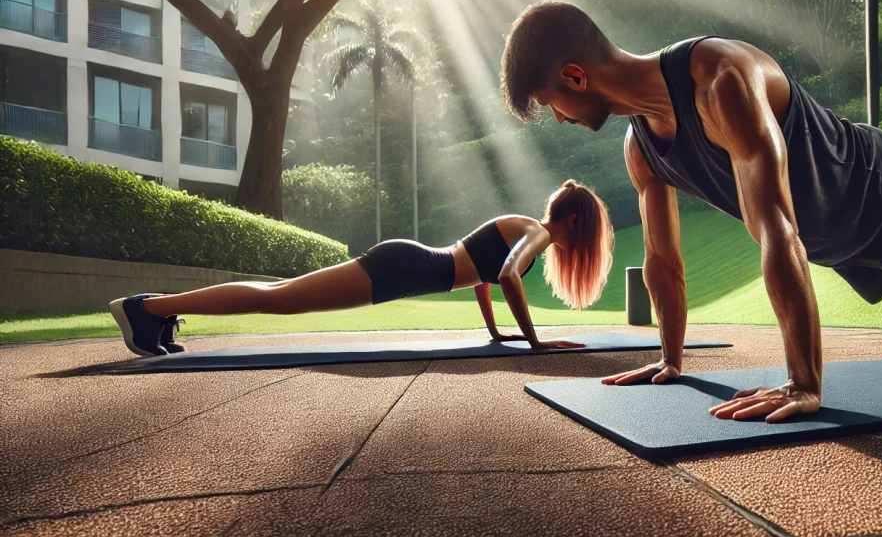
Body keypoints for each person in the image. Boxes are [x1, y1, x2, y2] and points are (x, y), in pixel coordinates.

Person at [499, 1, 882, 423]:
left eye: (551, 101)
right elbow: (662, 259)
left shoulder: (719, 77)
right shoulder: (641, 147)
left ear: (577, 77)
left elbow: (774, 228)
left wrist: (804, 382)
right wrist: (672, 358)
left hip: (878, 187)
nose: (557, 117)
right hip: (836, 236)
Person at [109, 180, 615, 357]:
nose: (578, 244)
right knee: (276, 298)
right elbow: (504, 276)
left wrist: (498, 332)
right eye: (584, 234)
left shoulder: (522, 224)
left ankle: (154, 312)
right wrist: (534, 341)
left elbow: (484, 280)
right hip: (404, 268)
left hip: (409, 264)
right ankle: (147, 307)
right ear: (572, 219)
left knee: (279, 293)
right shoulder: (538, 232)